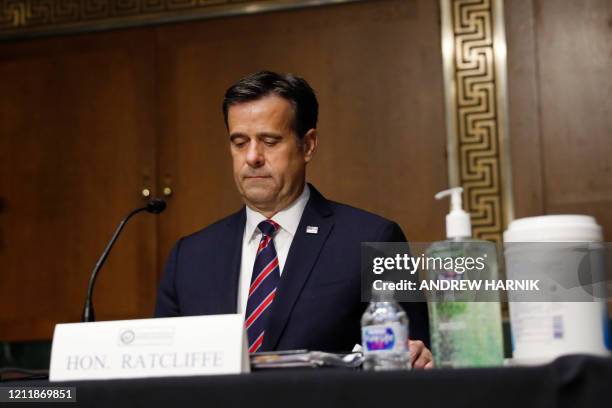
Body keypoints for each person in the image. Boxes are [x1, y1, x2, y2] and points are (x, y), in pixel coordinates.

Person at [155, 71, 433, 368]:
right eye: (239, 142)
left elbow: (416, 355)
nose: (252, 157)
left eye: (270, 141)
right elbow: (162, 368)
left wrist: (417, 356)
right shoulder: (189, 257)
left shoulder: (375, 240)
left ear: (308, 144)